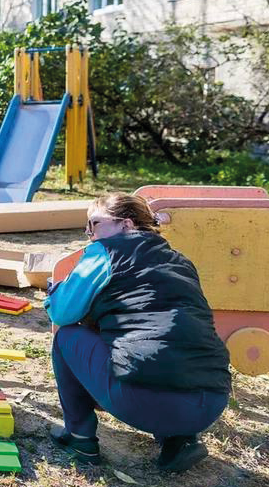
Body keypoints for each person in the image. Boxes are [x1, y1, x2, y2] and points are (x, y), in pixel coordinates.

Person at [45, 193, 232, 472]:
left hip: (142, 402)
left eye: (94, 223)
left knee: (67, 337)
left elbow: (62, 313)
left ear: (126, 225)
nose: (88, 233)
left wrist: (55, 291)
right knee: (170, 344)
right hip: (212, 401)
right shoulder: (180, 261)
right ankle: (180, 441)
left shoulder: (106, 251)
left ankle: (80, 437)